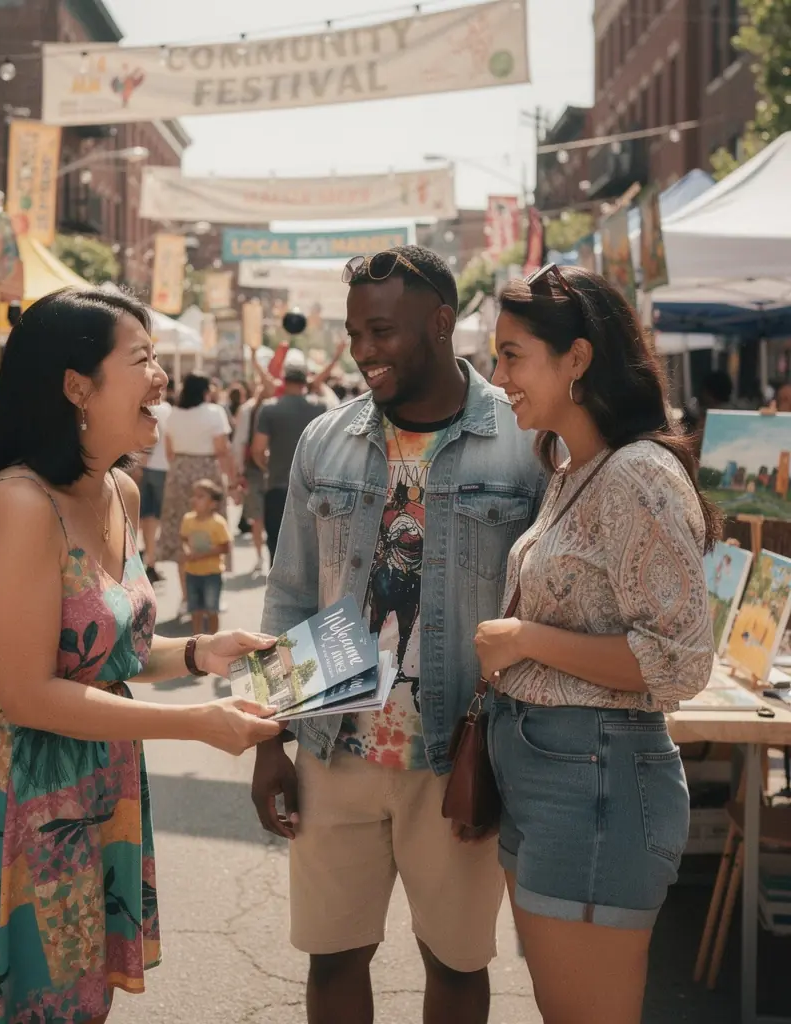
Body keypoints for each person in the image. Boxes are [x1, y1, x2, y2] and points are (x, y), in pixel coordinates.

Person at [0, 288, 282, 1023]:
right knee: (37, 1006)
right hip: (22, 794)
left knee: (85, 1003)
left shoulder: (114, 488)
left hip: (98, 782)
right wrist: (199, 724)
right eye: (142, 359)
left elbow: (102, 652)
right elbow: (28, 692)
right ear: (77, 386)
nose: (161, 379)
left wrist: (203, 652)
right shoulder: (21, 505)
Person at [252, 246, 544, 1024]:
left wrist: (503, 750)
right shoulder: (326, 440)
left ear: (442, 323)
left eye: (382, 331)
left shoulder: (523, 446)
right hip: (333, 741)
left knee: (454, 962)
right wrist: (267, 740)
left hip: (455, 757)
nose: (364, 351)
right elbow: (288, 596)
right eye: (354, 334)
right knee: (334, 954)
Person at [477, 264, 718, 1024]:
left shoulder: (636, 476)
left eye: (512, 355)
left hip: (596, 776)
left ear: (576, 358)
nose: (498, 375)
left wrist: (524, 638)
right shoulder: (573, 468)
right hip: (552, 769)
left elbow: (679, 665)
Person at [251, 355, 332, 564]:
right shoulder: (319, 408)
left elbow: (258, 449)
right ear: (305, 381)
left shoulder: (270, 409)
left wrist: (266, 466)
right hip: (313, 487)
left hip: (278, 485)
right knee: (312, 551)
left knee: (278, 549)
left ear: (284, 381)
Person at [157, 372, 234, 590]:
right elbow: (222, 449)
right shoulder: (214, 412)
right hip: (206, 470)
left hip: (179, 472)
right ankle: (211, 592)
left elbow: (169, 452)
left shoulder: (174, 415)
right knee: (211, 530)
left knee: (183, 532)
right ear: (204, 391)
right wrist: (234, 478)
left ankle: (185, 594)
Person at [232, 378, 276, 572]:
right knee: (270, 516)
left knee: (257, 516)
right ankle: (266, 556)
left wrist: (239, 471)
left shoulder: (248, 409)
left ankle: (260, 557)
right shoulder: (274, 408)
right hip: (273, 468)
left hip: (253, 469)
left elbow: (239, 443)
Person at [180, 478, 231, 636]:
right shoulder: (188, 519)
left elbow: (225, 546)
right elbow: (183, 539)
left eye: (201, 496)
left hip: (212, 574)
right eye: (194, 495)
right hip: (192, 573)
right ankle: (196, 639)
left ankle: (213, 638)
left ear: (213, 504)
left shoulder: (218, 523)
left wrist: (201, 555)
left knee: (212, 609)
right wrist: (186, 551)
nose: (194, 499)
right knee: (195, 610)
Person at [137, 400, 171, 583]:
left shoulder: (141, 407)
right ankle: (151, 561)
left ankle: (151, 560)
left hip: (145, 468)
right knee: (157, 516)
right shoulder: (164, 409)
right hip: (161, 467)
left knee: (149, 516)